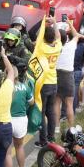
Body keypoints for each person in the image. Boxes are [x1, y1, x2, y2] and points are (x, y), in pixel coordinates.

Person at [32, 15, 62, 147]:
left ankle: (43, 141)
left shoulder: (41, 48)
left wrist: (43, 21)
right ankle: (51, 138)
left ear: (43, 37)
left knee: (42, 112)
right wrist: (55, 22)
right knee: (51, 111)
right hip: (54, 82)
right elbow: (59, 37)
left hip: (43, 83)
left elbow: (35, 35)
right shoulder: (58, 46)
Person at [4, 60, 34, 167]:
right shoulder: (24, 86)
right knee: (19, 147)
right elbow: (32, 102)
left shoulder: (4, 86)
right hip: (21, 119)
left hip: (8, 119)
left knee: (7, 152)